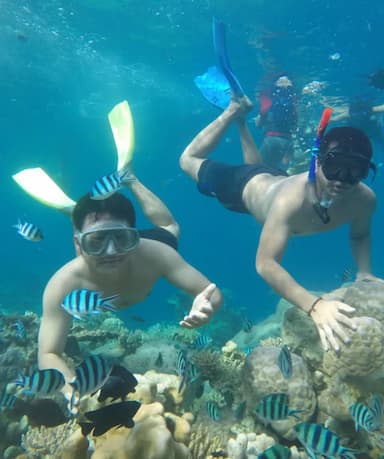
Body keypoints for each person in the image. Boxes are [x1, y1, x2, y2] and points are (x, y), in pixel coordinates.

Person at [179, 94, 382, 353]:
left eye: (356, 171)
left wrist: (364, 272)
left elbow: (359, 235)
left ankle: (242, 123)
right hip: (241, 188)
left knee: (260, 168)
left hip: (274, 180)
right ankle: (232, 111)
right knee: (186, 160)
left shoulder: (364, 200)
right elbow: (265, 264)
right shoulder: (291, 203)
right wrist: (315, 305)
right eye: (335, 167)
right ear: (317, 161)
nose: (342, 180)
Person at [38, 173, 223, 395]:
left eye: (121, 237)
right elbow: (48, 354)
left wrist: (207, 307)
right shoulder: (63, 285)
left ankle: (130, 178)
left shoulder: (158, 254)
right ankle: (78, 216)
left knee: (170, 227)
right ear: (78, 244)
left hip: (143, 249)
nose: (111, 251)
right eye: (96, 241)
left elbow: (212, 293)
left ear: (134, 237)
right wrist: (75, 390)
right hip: (99, 246)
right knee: (104, 233)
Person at [255, 75, 298, 169]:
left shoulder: (269, 100)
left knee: (260, 169)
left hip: (271, 139)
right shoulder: (293, 101)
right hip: (288, 141)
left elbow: (258, 124)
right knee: (285, 170)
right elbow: (295, 125)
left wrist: (259, 121)